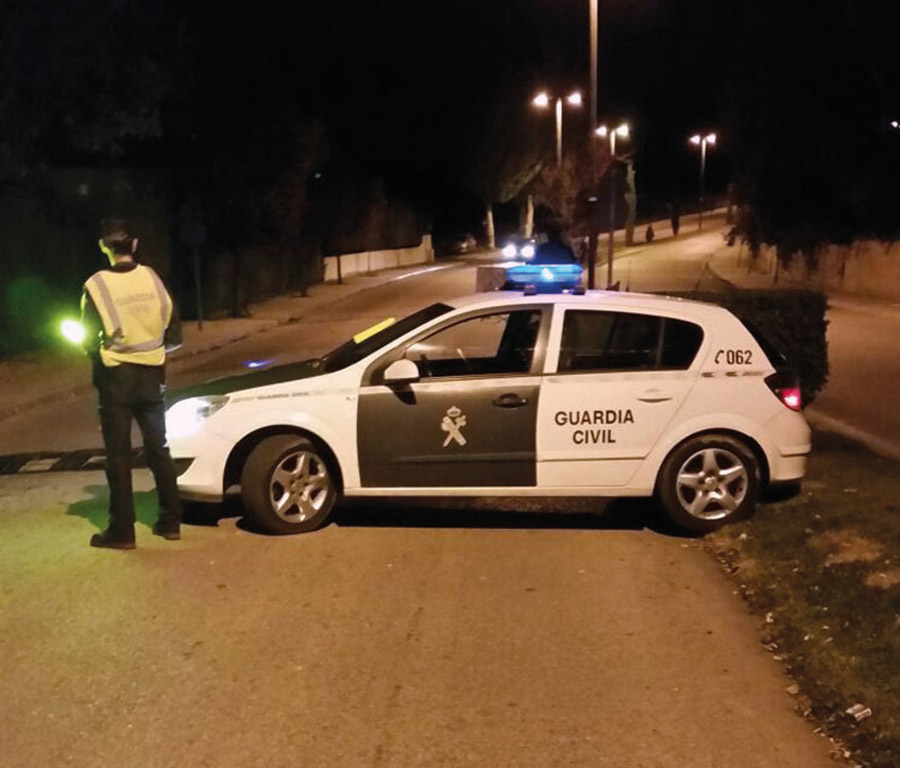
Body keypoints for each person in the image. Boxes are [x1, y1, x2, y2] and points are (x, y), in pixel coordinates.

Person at [81, 219, 184, 549]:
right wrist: (155, 351)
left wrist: (97, 353)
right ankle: (170, 522)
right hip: (153, 376)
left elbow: (85, 337)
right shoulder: (152, 278)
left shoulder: (95, 285)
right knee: (159, 449)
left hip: (116, 379)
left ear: (103, 246)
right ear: (135, 244)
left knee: (118, 456)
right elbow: (173, 327)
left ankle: (122, 531)